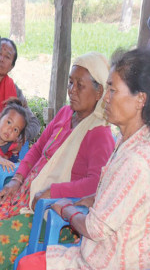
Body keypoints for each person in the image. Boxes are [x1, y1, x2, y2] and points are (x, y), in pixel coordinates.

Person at [0, 52, 115, 270]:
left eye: (80, 85)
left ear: (99, 92)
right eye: (70, 82)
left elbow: (96, 184)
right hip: (25, 194)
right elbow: (37, 149)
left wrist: (52, 191)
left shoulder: (99, 133)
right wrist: (16, 179)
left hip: (51, 212)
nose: (71, 90)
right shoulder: (66, 113)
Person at [18, 49, 150, 270]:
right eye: (106, 87)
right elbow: (113, 192)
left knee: (27, 264)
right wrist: (88, 199)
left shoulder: (135, 159)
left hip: (110, 261)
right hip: (94, 251)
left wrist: (67, 209)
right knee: (26, 262)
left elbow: (96, 229)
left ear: (140, 100)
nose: (105, 98)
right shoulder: (129, 141)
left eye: (113, 90)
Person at [0, 38, 40, 142]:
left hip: (1, 151)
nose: (1, 59)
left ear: (11, 67)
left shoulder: (15, 92)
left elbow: (34, 123)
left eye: (7, 57)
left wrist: (19, 139)